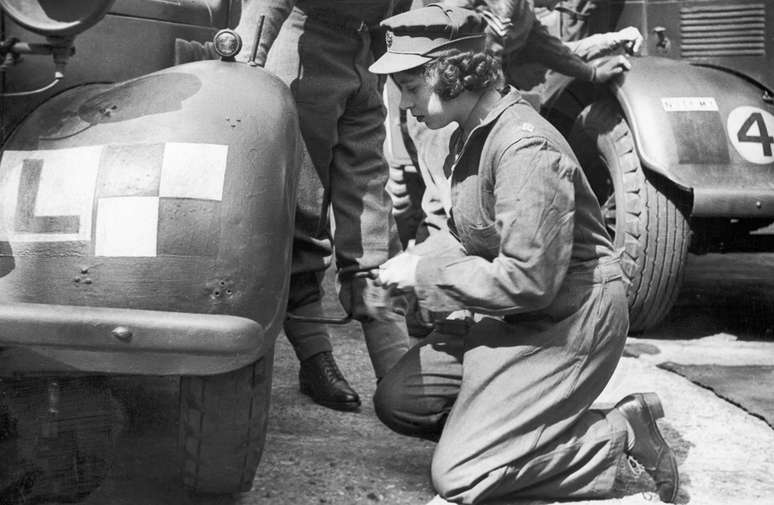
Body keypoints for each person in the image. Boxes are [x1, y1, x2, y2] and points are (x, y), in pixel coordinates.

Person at [368, 4, 679, 504]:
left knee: (461, 479)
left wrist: (426, 275)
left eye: (410, 88)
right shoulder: (472, 132)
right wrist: (411, 266)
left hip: (568, 321)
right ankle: (511, 429)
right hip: (514, 313)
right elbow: (468, 233)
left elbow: (530, 281)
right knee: (402, 401)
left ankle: (616, 431)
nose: (404, 105)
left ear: (449, 73)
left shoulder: (522, 148)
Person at [239, 0, 413, 411]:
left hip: (363, 59)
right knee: (304, 216)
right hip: (303, 54)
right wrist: (245, 68)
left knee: (373, 218)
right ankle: (316, 358)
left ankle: (399, 374)